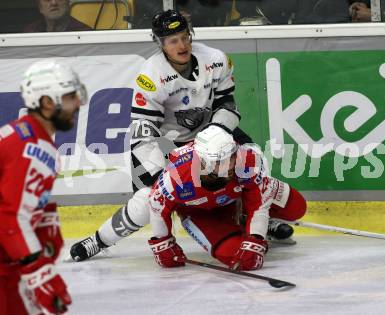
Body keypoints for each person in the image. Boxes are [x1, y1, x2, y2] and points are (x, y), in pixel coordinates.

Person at [70, 9, 294, 262]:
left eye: (185, 37)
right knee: (147, 201)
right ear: (161, 44)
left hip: (210, 134)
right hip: (165, 142)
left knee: (253, 162)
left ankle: (261, 219)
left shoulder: (216, 59)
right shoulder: (151, 76)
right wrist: (159, 176)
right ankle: (98, 241)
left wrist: (216, 134)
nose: (182, 44)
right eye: (173, 40)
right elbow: (143, 129)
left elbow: (228, 105)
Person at [148, 125, 307, 270]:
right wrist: (163, 243)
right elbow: (156, 206)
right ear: (204, 161)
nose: (230, 164)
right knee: (234, 254)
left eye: (232, 155)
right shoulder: (176, 174)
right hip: (200, 212)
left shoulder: (247, 160)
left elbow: (259, 204)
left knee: (296, 207)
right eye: (220, 161)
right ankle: (240, 226)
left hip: (237, 200)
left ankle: (249, 221)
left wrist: (255, 239)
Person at [0, 60, 87, 314]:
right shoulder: (33, 149)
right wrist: (38, 270)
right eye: (71, 97)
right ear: (48, 102)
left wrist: (45, 210)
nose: (78, 104)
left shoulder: (24, 133)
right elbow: (10, 215)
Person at [24, 0, 91, 32]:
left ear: (69, 2)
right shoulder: (31, 31)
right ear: (40, 7)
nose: (54, 3)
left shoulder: (84, 32)